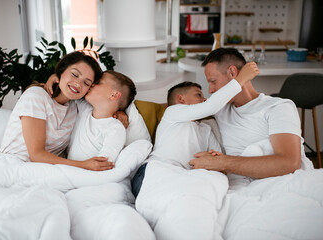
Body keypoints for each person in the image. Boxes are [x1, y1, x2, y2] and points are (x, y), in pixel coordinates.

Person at [131, 62, 259, 197]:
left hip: (183, 177)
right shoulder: (173, 112)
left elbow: (218, 161)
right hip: (155, 171)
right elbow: (211, 106)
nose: (204, 99)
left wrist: (214, 162)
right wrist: (241, 79)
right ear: (180, 99)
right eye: (199, 95)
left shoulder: (206, 128)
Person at [189, 47, 314, 180]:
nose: (211, 90)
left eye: (213, 81)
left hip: (282, 183)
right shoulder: (220, 108)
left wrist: (220, 162)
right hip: (241, 187)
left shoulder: (278, 107)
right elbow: (178, 109)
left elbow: (289, 163)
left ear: (232, 72)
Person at [0, 51, 115, 171]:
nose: (78, 84)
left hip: (46, 171)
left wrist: (119, 112)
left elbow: (104, 105)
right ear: (61, 71)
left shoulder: (75, 107)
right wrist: (85, 165)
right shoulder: (36, 97)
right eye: (74, 75)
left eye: (86, 83)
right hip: (12, 167)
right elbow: (36, 155)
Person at [66, 70, 137, 164]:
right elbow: (67, 92)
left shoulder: (115, 128)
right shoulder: (85, 109)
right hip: (69, 168)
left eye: (98, 82)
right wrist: (54, 78)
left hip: (89, 174)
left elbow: (105, 162)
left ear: (114, 95)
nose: (91, 84)